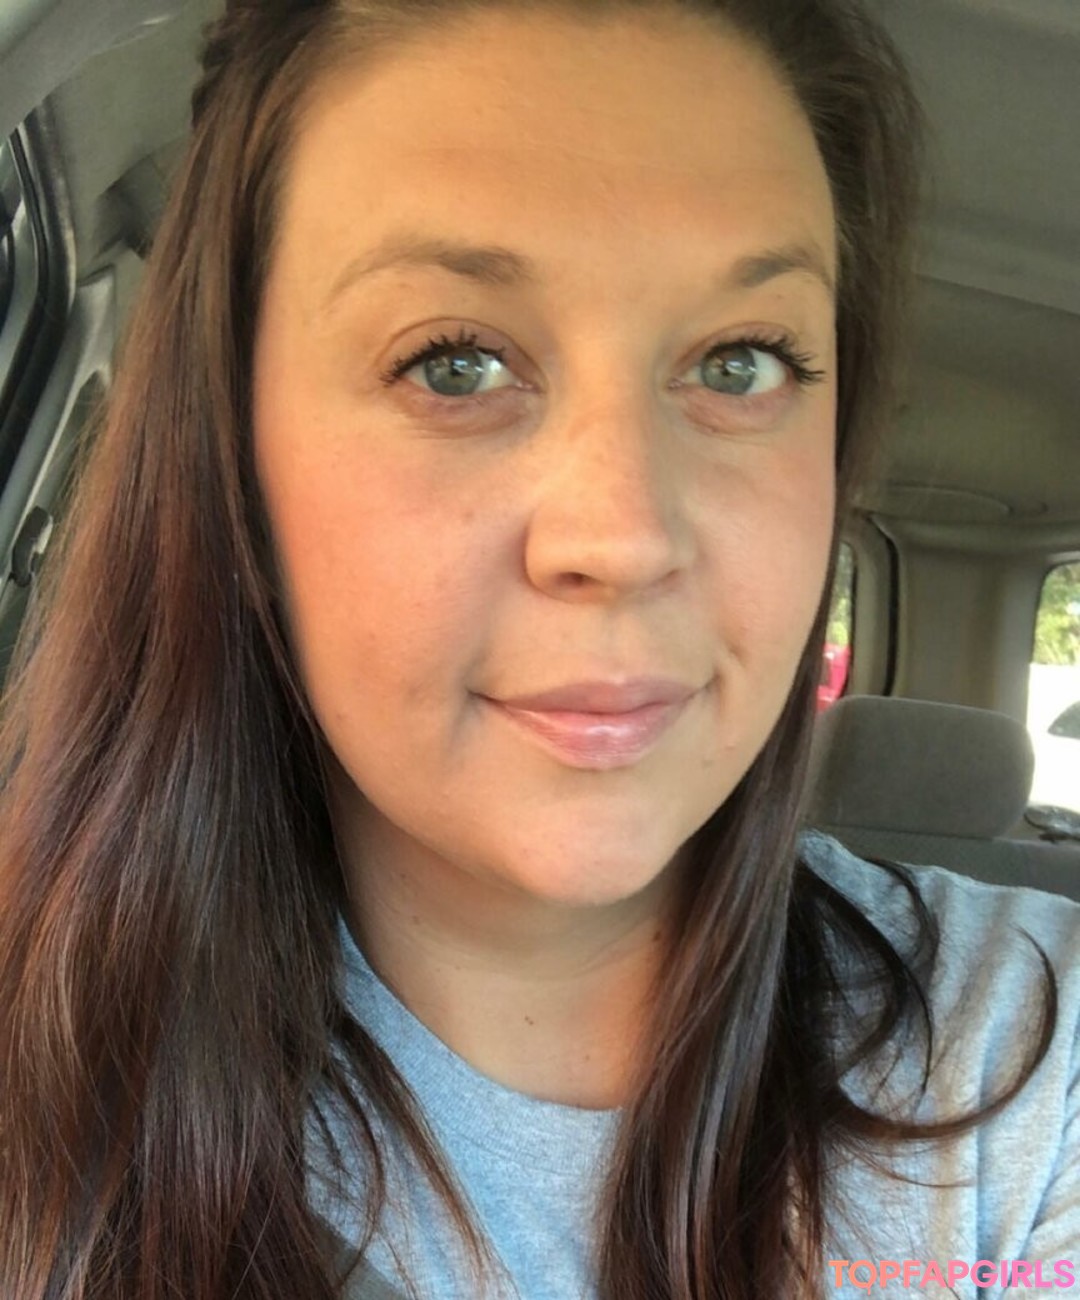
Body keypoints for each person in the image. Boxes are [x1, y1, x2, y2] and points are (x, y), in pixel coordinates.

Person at [0, 0, 1077, 1297]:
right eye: (454, 363)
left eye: (741, 364)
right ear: (233, 456)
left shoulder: (1034, 1052)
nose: (624, 537)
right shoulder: (37, 1075)